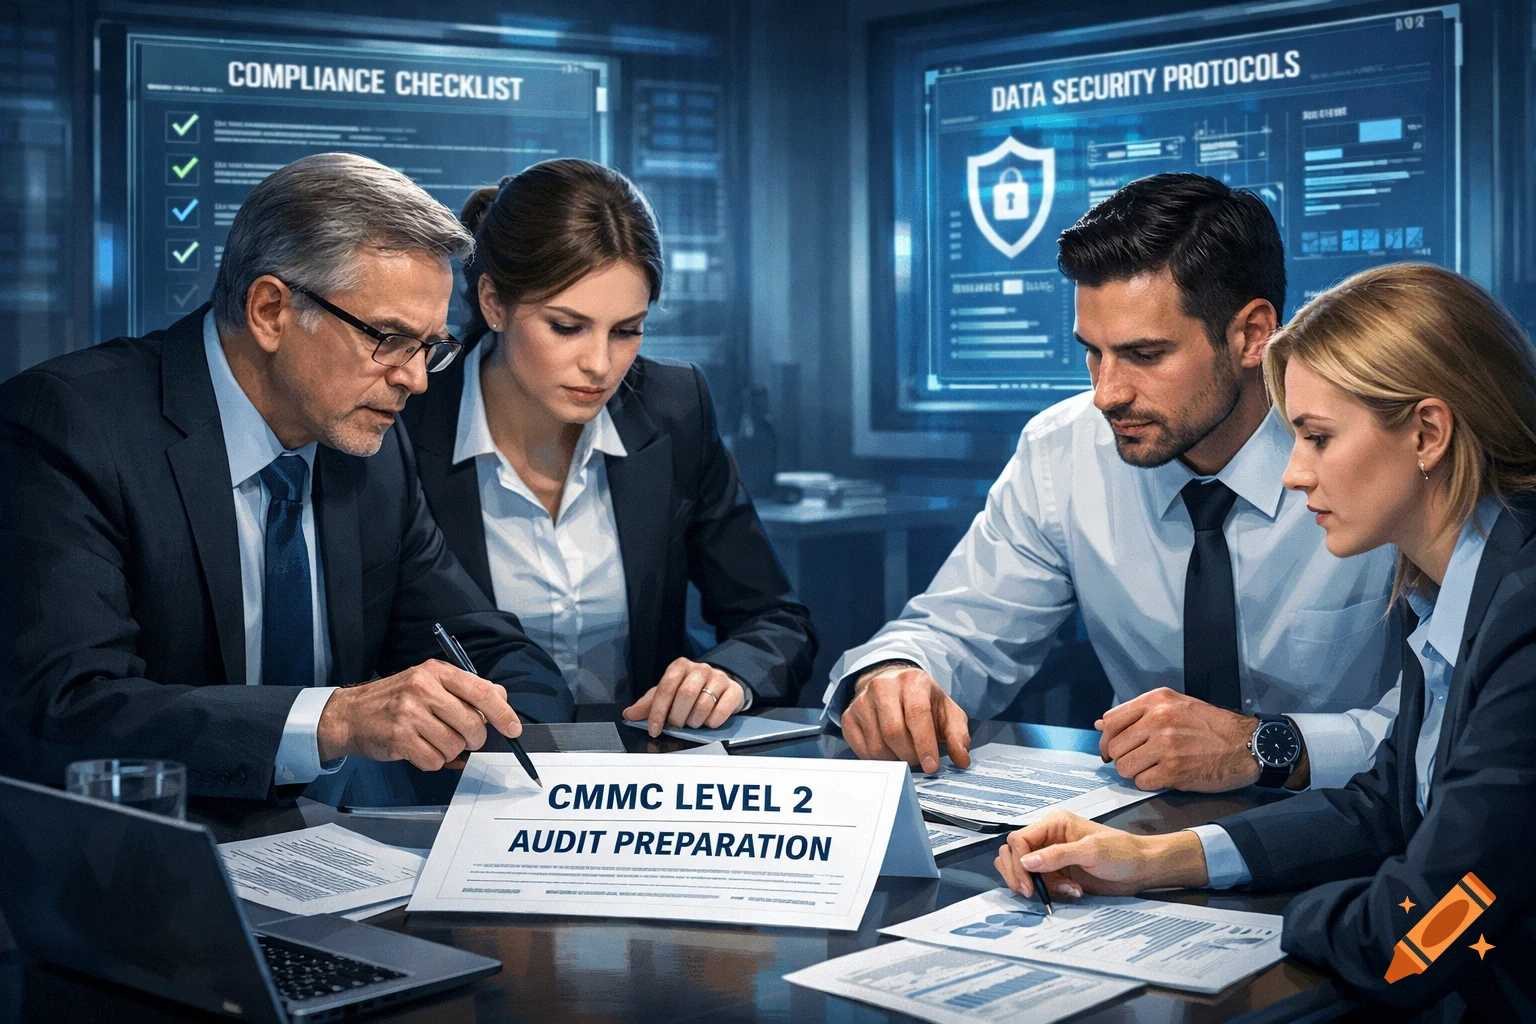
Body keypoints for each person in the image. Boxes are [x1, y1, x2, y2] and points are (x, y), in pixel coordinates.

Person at [994, 263, 1536, 1018]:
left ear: (1428, 432)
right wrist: (1153, 861)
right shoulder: (1459, 582)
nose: (1291, 474)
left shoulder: (1523, 610)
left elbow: (1422, 939)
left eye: (1316, 437)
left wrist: (1269, 923)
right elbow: (1383, 808)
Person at [0, 153, 571, 802]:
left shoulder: (373, 452)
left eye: (430, 348)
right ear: (271, 310)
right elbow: (64, 711)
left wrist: (504, 721)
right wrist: (334, 720)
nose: (414, 379)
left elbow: (492, 651)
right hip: (135, 867)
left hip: (337, 862)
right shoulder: (71, 427)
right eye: (388, 338)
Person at [828, 173, 1400, 792]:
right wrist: (895, 674)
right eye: (1093, 353)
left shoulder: (1377, 453)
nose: (1107, 394)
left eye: (1145, 355)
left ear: (1251, 335)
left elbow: (1464, 724)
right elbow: (960, 632)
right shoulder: (1062, 451)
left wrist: (1263, 746)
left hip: (1363, 831)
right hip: (1140, 837)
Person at [399, 159, 814, 734]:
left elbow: (773, 618)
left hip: (642, 779)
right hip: (460, 782)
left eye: (627, 330)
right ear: (493, 303)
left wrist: (728, 677)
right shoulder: (403, 419)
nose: (600, 364)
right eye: (566, 327)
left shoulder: (675, 408)